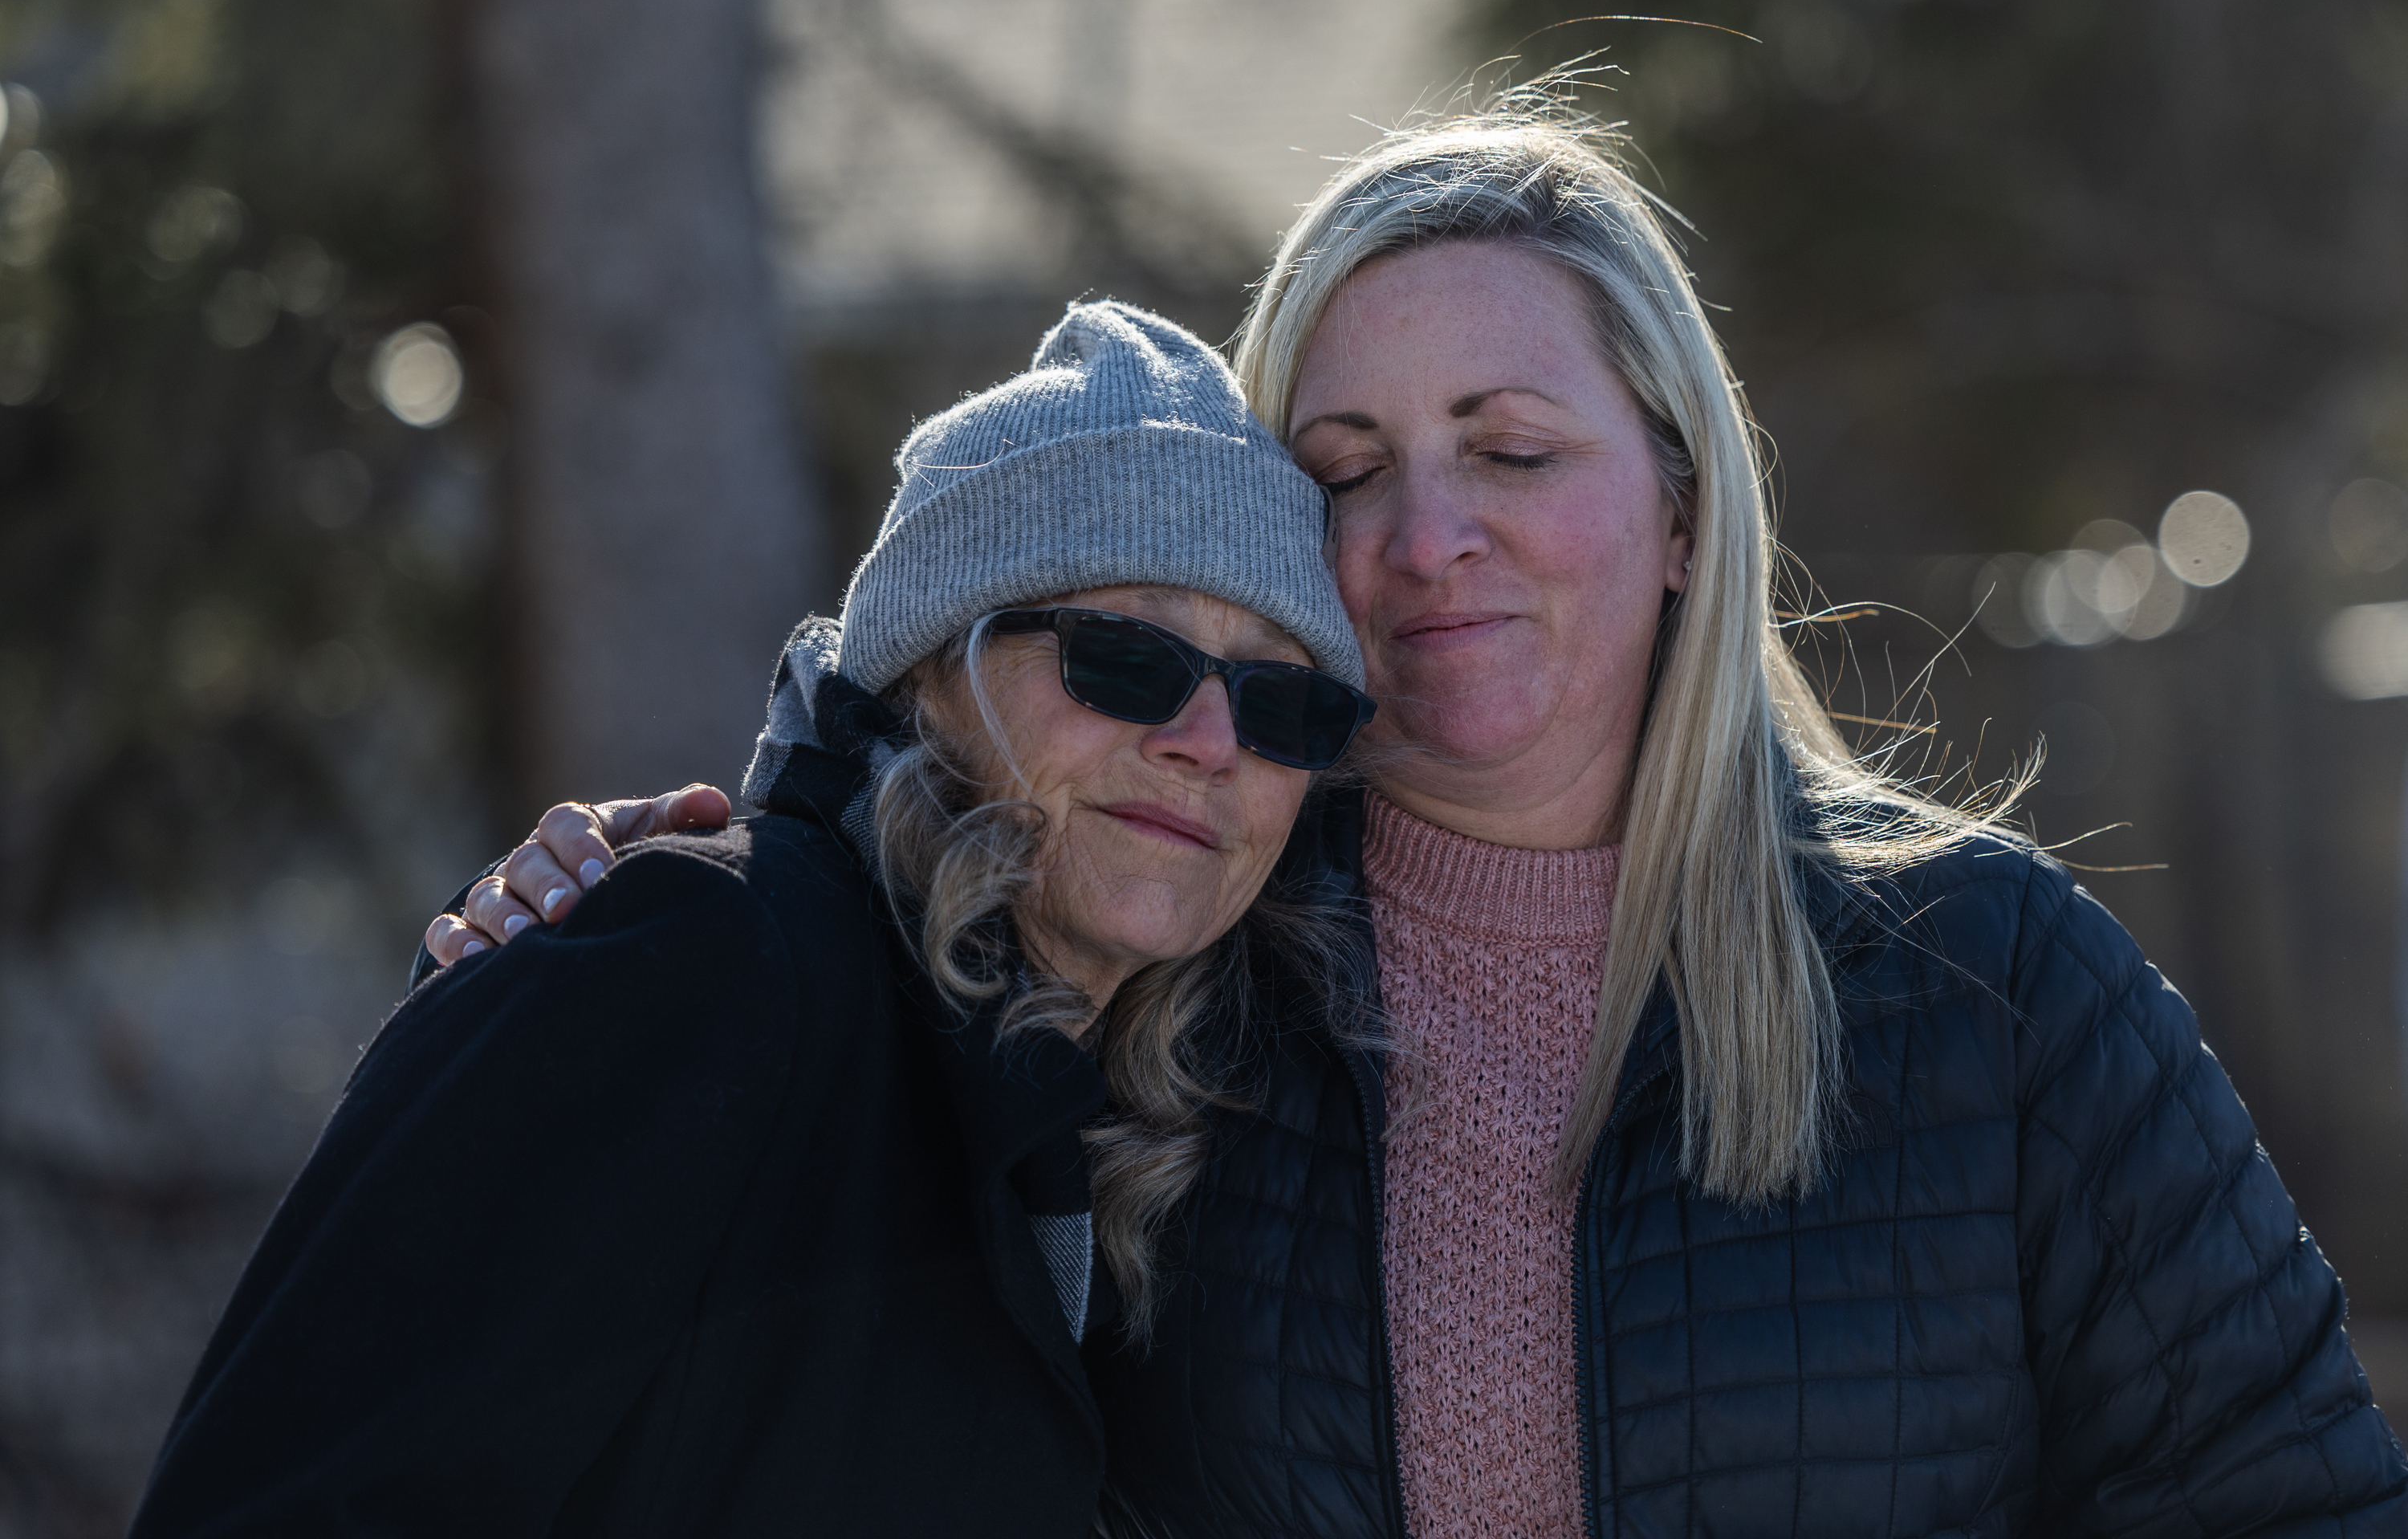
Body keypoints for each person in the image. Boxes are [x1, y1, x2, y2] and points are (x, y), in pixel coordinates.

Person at [425, 99, 2408, 1534]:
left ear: (1685, 513)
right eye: (1346, 468)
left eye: (1513, 450)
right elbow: (872, 894)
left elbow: (2289, 1493)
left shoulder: (1994, 985)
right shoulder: (1158, 958)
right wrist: (653, 881)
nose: (1426, 536)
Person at [129, 303, 1379, 1537]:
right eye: (1126, 659)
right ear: (931, 672)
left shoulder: (1104, 1142)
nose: (1208, 743)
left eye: (1280, 703)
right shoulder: (703, 968)